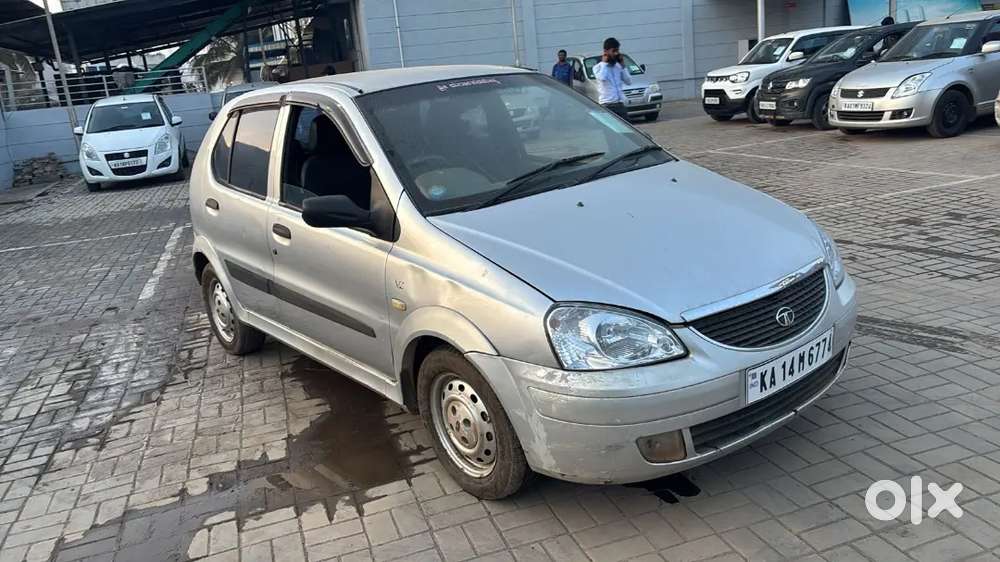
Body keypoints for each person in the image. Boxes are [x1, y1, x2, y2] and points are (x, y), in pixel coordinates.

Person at [592, 37, 631, 119]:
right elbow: (602, 78)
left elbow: (628, 81)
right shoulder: (598, 67)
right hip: (607, 106)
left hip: (620, 104)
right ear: (605, 51)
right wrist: (604, 63)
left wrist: (623, 66)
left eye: (617, 50)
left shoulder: (618, 66)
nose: (616, 53)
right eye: (614, 51)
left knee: (627, 130)